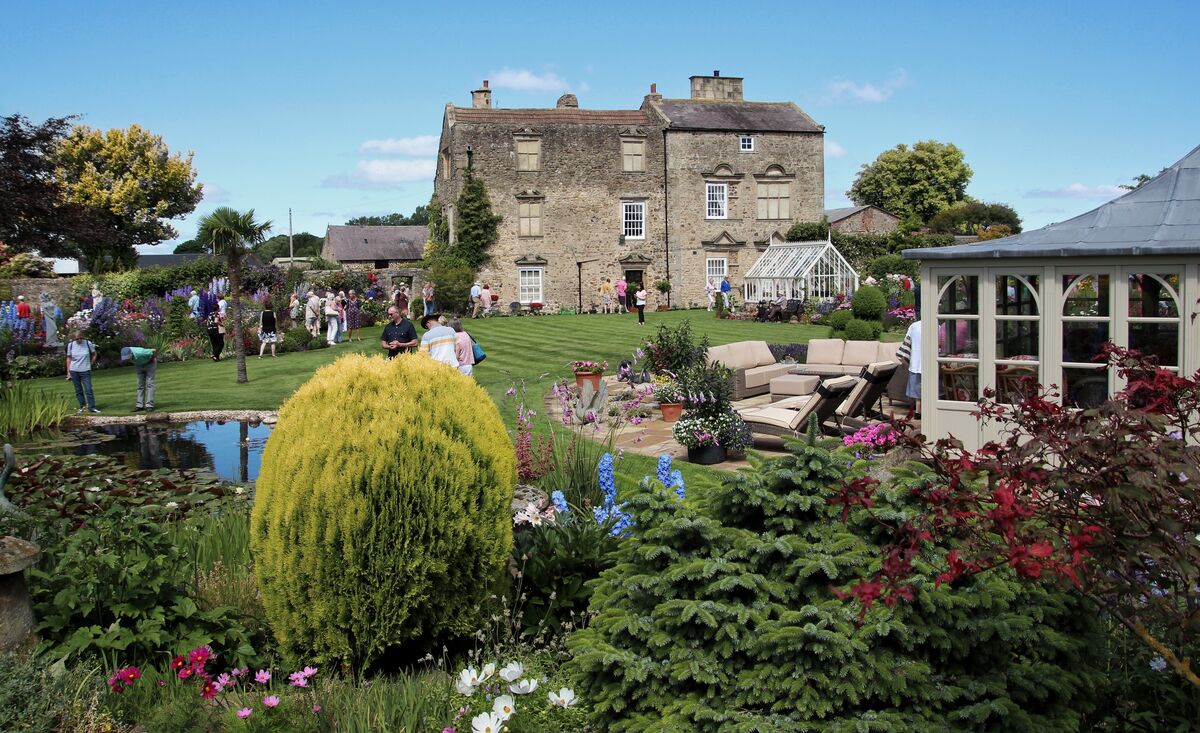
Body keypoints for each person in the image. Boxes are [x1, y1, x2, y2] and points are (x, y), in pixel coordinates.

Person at [65, 330, 100, 413]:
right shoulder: (71, 345)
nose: (79, 340)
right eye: (77, 339)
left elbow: (94, 354)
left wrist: (91, 363)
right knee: (78, 390)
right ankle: (82, 407)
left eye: (81, 338)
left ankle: (92, 407)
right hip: (74, 370)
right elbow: (69, 358)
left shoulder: (88, 343)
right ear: (74, 339)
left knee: (88, 389)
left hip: (85, 370)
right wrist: (68, 372)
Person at [903, 299, 923, 419]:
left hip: (916, 363)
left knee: (917, 392)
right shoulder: (937, 325)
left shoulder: (914, 326)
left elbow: (906, 345)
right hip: (930, 364)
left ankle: (917, 412)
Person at [120, 345, 157, 411]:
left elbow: (154, 350)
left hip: (150, 364)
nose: (127, 360)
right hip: (139, 365)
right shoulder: (125, 352)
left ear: (131, 353)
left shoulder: (140, 352)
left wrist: (150, 361)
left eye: (128, 358)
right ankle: (139, 406)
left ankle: (149, 405)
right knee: (140, 385)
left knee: (150, 384)